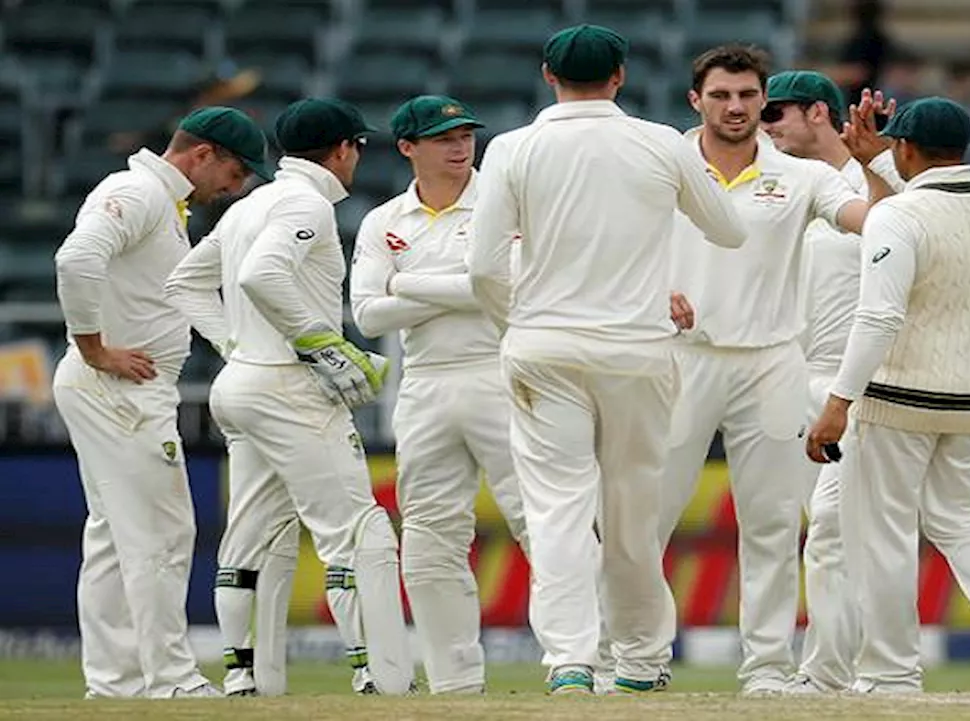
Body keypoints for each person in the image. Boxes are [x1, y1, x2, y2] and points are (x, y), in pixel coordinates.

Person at [468, 24, 747, 695]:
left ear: (547, 75)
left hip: (543, 346)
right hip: (636, 350)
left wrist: (522, 324)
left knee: (558, 509)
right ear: (619, 76)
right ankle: (642, 660)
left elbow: (481, 266)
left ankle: (570, 660)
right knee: (632, 510)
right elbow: (730, 229)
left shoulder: (512, 148)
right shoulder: (658, 142)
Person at [806, 97, 970, 694]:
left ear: (905, 147)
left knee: (882, 534)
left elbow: (877, 318)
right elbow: (935, 206)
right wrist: (881, 165)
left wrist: (838, 403)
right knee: (962, 520)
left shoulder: (896, 218)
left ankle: (889, 673)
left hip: (899, 396)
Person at [658, 44, 895, 696]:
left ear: (761, 101)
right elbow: (612, 242)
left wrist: (874, 165)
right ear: (695, 100)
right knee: (647, 517)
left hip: (770, 361)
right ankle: (631, 655)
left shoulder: (799, 175)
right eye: (720, 96)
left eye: (746, 96)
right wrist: (651, 295)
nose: (735, 108)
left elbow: (873, 222)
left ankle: (765, 668)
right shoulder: (662, 163)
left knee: (768, 525)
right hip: (684, 356)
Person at [163, 98, 415, 697]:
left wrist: (236, 344)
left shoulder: (253, 203)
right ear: (343, 149)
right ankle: (378, 675)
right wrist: (322, 344)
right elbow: (262, 276)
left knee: (254, 535)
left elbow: (186, 283)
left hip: (244, 383)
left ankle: (247, 676)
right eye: (357, 146)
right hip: (288, 388)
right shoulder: (306, 204)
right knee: (357, 531)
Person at [52, 106, 270, 699]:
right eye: (236, 170)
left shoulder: (158, 200)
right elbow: (75, 259)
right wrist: (95, 348)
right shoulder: (139, 191)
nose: (238, 185)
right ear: (202, 155)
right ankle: (170, 679)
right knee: (161, 533)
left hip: (118, 387)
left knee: (113, 537)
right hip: (118, 388)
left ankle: (115, 683)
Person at [349, 95, 529, 695]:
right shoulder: (384, 221)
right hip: (424, 383)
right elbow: (370, 315)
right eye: (443, 138)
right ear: (407, 148)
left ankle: (583, 665)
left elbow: (506, 288)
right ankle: (454, 683)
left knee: (541, 522)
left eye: (465, 134)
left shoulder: (503, 202)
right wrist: (465, 286)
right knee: (428, 534)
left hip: (500, 370)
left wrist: (409, 282)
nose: (460, 146)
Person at [759, 69, 904, 695]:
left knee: (837, 535)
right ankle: (848, 670)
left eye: (775, 116)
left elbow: (910, 280)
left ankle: (844, 673)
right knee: (826, 539)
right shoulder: (781, 186)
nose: (763, 128)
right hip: (795, 384)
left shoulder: (872, 186)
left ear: (818, 113)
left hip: (859, 387)